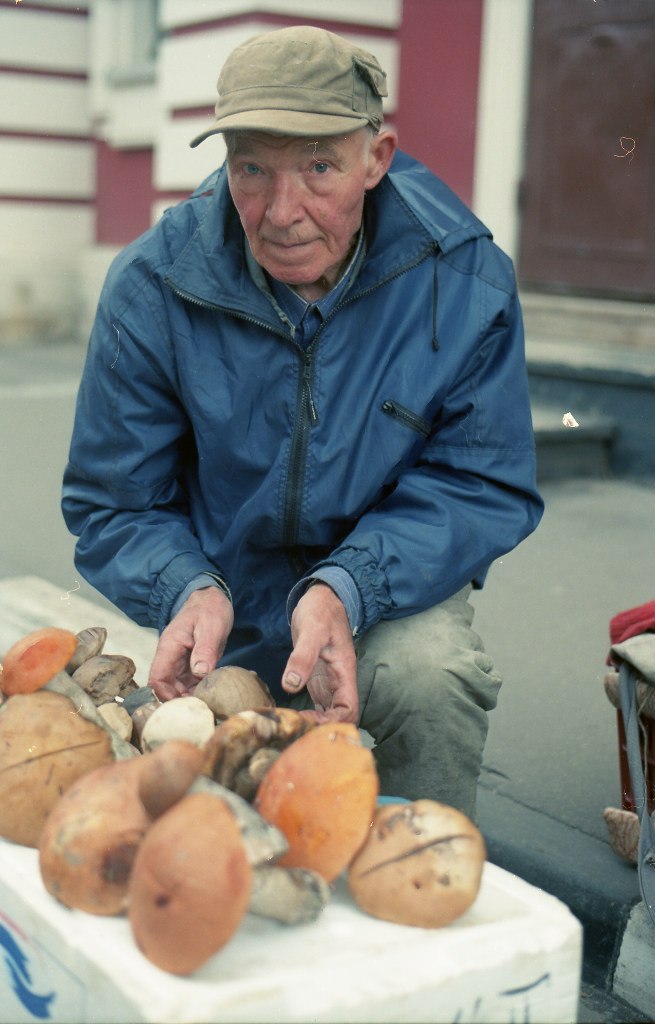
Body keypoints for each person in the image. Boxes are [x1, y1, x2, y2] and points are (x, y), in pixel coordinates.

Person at [62, 25, 543, 818]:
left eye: (318, 168)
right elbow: (115, 499)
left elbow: (479, 481)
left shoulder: (463, 278)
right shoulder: (152, 283)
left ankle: (421, 900)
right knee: (215, 828)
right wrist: (184, 585)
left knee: (429, 676)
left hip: (390, 590)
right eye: (251, 168)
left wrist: (346, 588)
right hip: (223, 592)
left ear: (375, 158)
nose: (281, 212)